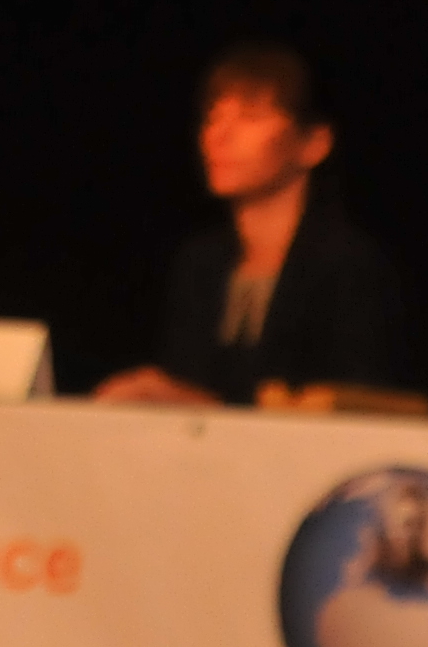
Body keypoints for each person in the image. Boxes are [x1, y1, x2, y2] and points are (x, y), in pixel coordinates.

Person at [94, 41, 406, 404]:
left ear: (314, 143)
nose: (219, 136)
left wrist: (190, 401)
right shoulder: (201, 261)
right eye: (213, 118)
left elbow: (354, 402)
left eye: (250, 117)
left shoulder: (348, 265)